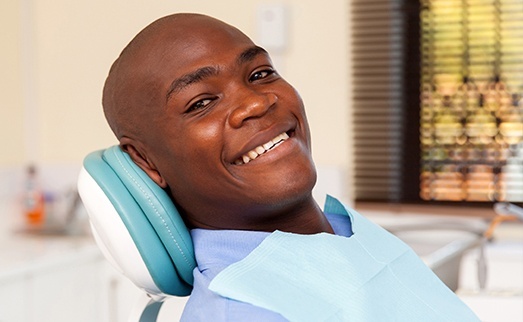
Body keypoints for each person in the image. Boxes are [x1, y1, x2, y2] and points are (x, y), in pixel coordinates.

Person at [102, 13, 479, 321]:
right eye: (201, 102)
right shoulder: (242, 311)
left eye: (260, 73)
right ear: (146, 161)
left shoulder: (348, 233)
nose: (256, 103)